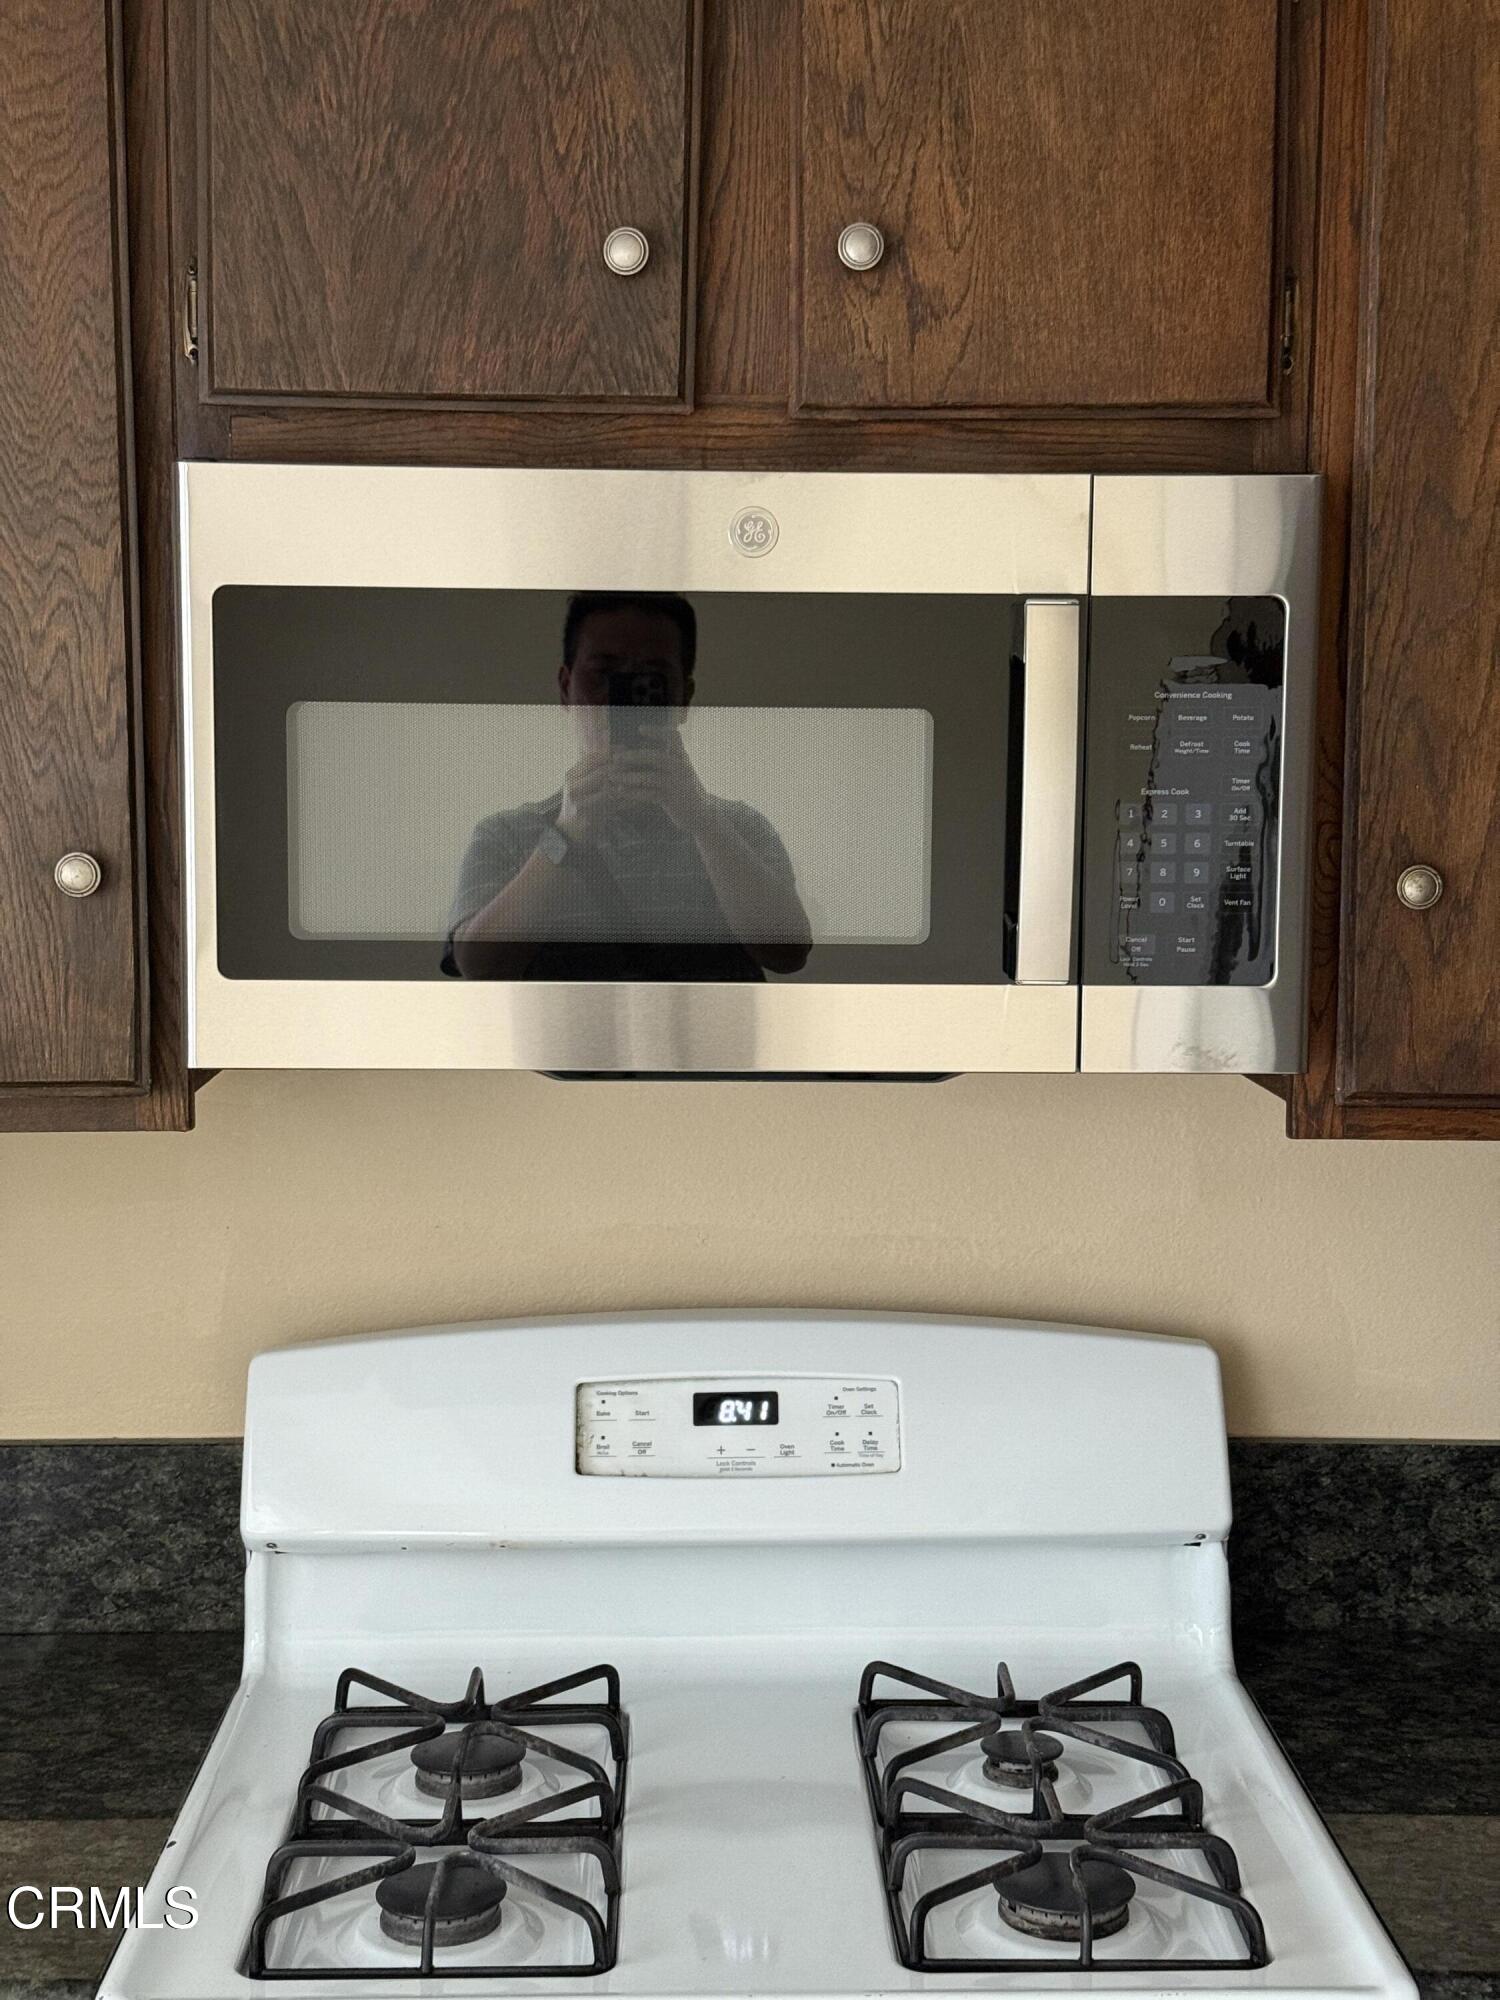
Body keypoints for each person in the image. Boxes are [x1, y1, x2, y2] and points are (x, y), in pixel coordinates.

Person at [444, 593, 812, 981]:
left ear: (683, 697)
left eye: (650, 680)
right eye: (603, 674)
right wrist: (564, 837)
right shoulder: (508, 835)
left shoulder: (738, 827)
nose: (621, 701)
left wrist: (703, 822)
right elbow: (477, 967)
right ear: (566, 687)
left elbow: (787, 952)